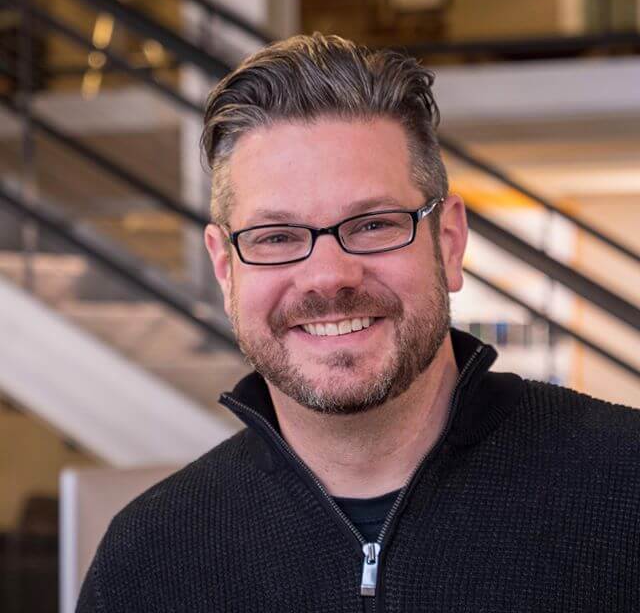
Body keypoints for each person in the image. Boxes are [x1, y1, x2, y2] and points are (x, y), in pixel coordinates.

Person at [77, 34, 640, 612]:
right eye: (276, 236)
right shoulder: (145, 561)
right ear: (225, 269)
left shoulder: (626, 486)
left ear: (448, 241)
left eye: (373, 225)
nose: (328, 276)